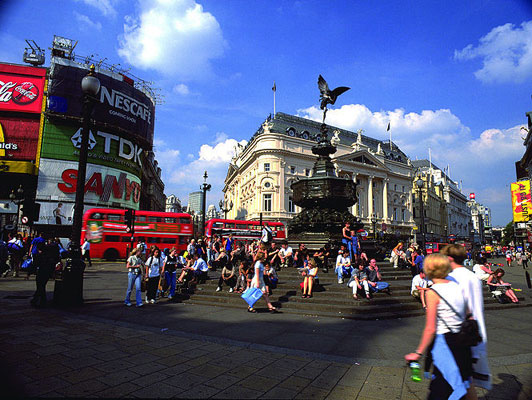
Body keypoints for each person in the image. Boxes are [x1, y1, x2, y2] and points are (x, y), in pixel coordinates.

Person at [404, 254, 477, 400]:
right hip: (463, 343)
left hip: (445, 343)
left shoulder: (433, 292)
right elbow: (470, 315)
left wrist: (418, 353)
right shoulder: (458, 287)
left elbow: (431, 328)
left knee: (440, 390)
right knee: (462, 383)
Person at [441, 244, 491, 391]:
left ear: (449, 258)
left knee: (456, 382)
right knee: (466, 381)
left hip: (458, 335)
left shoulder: (452, 278)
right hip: (474, 332)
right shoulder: (472, 276)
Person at [30, 234, 60, 308]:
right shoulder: (51, 255)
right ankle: (40, 300)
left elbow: (35, 264)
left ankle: (38, 300)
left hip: (41, 271)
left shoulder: (41, 255)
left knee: (40, 286)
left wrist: (30, 272)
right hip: (48, 271)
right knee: (42, 285)